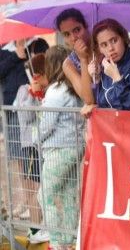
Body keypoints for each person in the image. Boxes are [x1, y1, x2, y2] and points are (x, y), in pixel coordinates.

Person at [37, 46, 85, 249]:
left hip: (59, 150)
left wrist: (35, 137)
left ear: (50, 65)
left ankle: (57, 241)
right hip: (76, 147)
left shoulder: (56, 90)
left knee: (45, 195)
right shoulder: (74, 87)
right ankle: (69, 239)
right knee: (68, 195)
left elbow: (46, 125)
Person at [0, 38, 48, 218]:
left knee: (36, 159)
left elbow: (45, 64)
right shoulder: (6, 50)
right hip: (13, 110)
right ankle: (27, 202)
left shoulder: (37, 44)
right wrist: (16, 56)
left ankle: (37, 203)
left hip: (36, 107)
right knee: (20, 158)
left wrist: (29, 57)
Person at [13, 53, 49, 244]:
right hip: (30, 146)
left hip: (42, 146)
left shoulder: (48, 90)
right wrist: (32, 95)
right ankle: (35, 230)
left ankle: (38, 226)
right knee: (33, 190)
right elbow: (25, 117)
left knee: (40, 189)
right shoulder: (23, 90)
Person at [82, 19, 130, 114]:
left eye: (114, 40)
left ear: (123, 38)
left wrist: (117, 79)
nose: (110, 48)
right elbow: (103, 102)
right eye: (104, 45)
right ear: (99, 49)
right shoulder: (105, 66)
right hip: (110, 127)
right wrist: (96, 79)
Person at [56, 8, 94, 104]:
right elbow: (88, 99)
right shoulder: (68, 64)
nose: (73, 38)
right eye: (67, 34)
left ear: (85, 26)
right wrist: (83, 59)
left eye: (77, 30)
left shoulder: (102, 47)